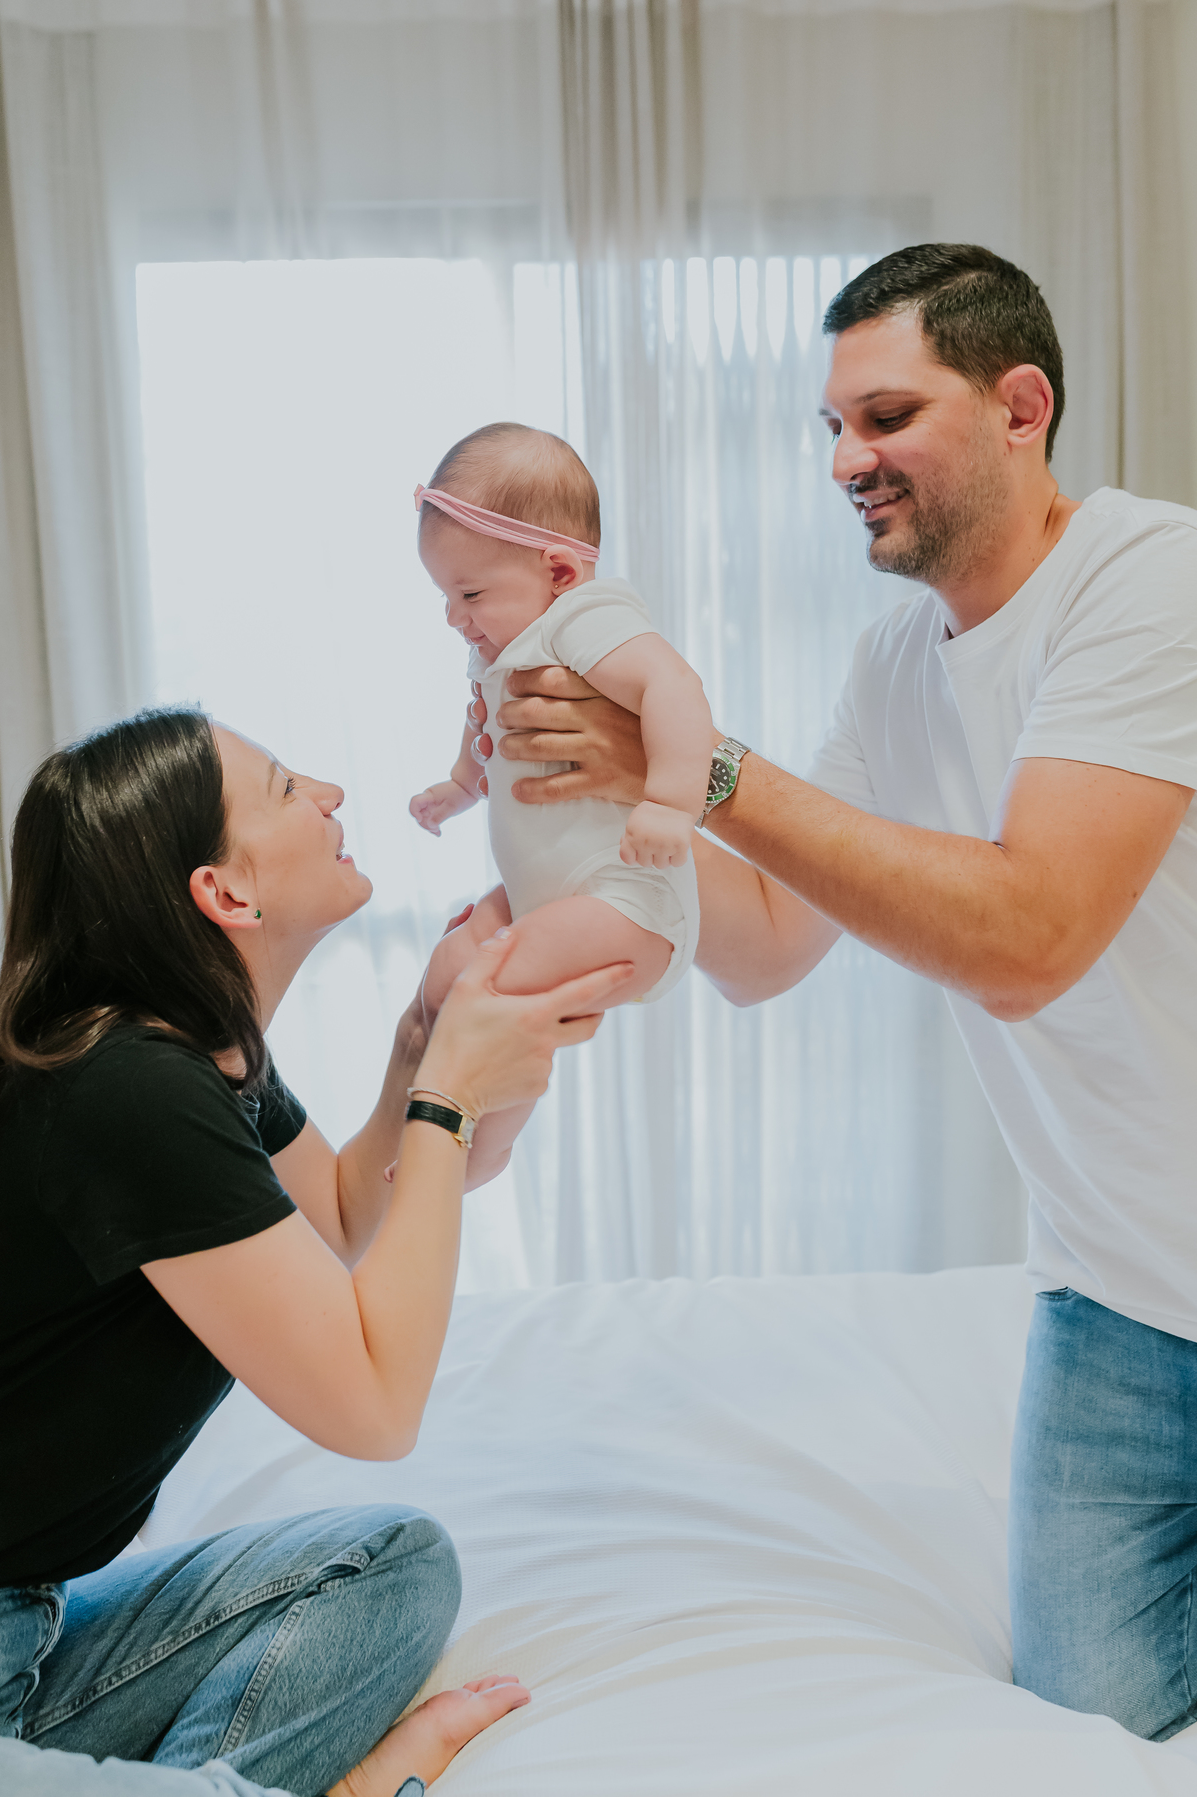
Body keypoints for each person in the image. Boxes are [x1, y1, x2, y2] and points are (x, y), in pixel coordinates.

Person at [469, 244, 1197, 1741]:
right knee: (1091, 1723)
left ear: (1020, 407)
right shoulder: (894, 667)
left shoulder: (1152, 577)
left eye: (884, 416)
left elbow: (1029, 937)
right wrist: (610, 835)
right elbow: (758, 951)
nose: (845, 460)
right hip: (1117, 1298)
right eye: (830, 428)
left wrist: (709, 767)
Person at [0, 707, 634, 1795]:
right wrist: (445, 1102)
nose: (331, 795)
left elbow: (340, 1215)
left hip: (30, 1610)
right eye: (290, 788)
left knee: (390, 1563)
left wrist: (419, 1048)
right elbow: (375, 1408)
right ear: (227, 893)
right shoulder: (130, 1092)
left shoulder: (191, 1050)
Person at [408, 422, 709, 1183]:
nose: (454, 616)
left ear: (561, 573)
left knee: (495, 984)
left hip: (628, 902)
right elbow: (487, 731)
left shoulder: (585, 620)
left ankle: (484, 1147)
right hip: (547, 897)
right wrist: (459, 785)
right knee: (449, 969)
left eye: (470, 592)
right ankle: (441, 1119)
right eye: (445, 595)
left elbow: (674, 687)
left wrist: (672, 802)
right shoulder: (496, 652)